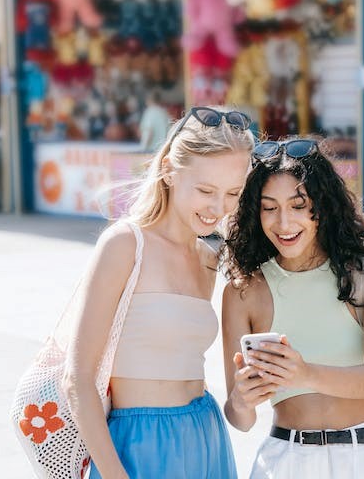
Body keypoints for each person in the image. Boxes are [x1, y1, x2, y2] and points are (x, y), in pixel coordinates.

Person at [63, 106, 255, 478]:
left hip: (205, 434)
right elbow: (78, 380)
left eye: (233, 193)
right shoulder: (124, 244)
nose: (219, 208)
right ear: (168, 169)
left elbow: (241, 417)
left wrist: (247, 396)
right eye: (205, 190)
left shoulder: (208, 259)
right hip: (137, 444)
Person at [222, 138, 364, 478]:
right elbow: (240, 420)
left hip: (363, 459)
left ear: (323, 206)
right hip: (283, 459)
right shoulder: (242, 292)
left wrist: (303, 374)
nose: (283, 223)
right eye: (269, 208)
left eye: (298, 205)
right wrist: (242, 401)